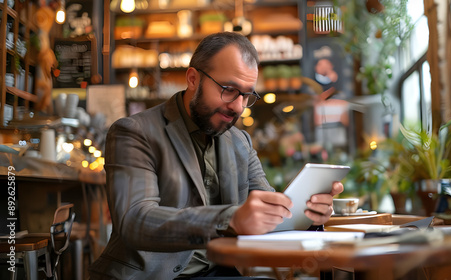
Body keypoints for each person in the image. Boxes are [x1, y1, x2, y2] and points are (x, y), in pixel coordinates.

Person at [89, 32, 344, 279]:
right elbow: (135, 222)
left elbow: (268, 214)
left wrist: (306, 215)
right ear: (192, 79)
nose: (238, 107)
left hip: (224, 271)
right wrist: (230, 219)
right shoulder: (134, 132)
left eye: (246, 95)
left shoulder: (240, 141)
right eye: (229, 89)